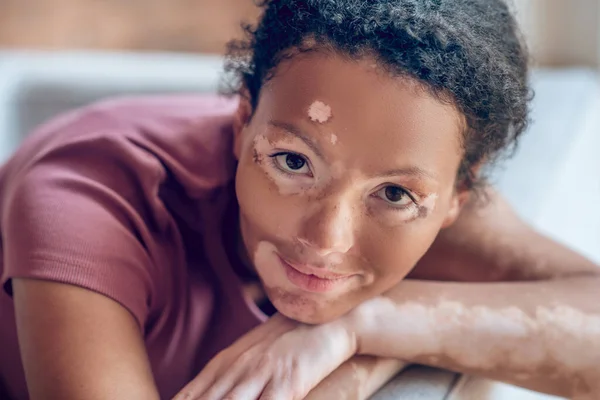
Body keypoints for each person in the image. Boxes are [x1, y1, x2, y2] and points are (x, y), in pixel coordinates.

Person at [1, 0, 599, 399]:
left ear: (456, 199)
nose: (326, 240)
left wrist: (365, 329)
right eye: (293, 162)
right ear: (241, 122)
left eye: (392, 194)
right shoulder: (91, 199)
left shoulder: (431, 198)